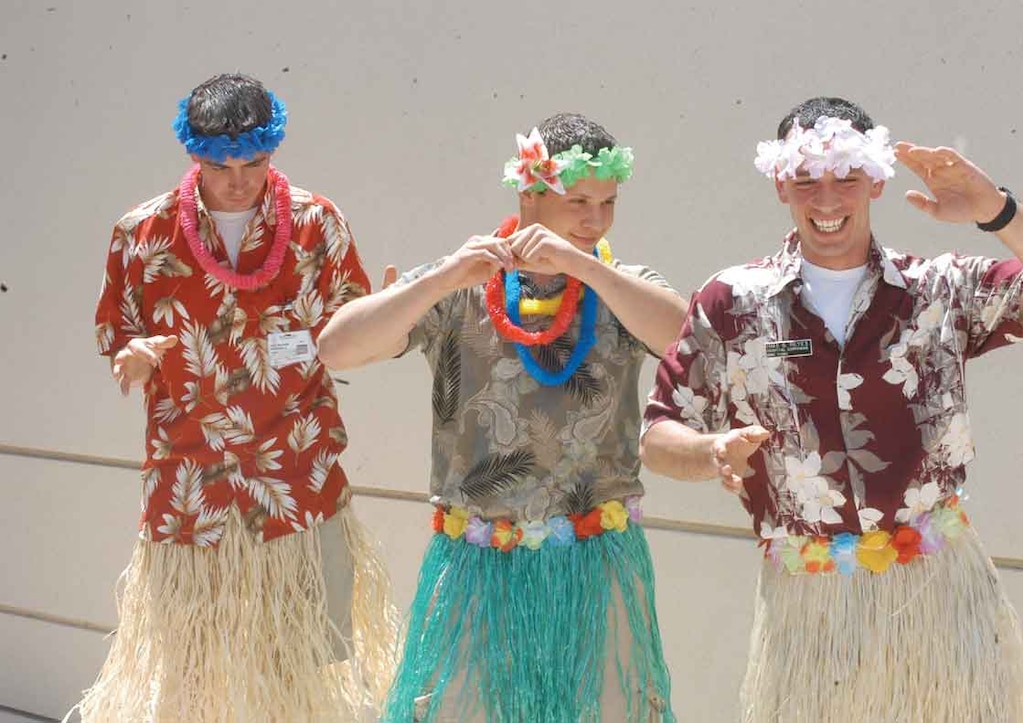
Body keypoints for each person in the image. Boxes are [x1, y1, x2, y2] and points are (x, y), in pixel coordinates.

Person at [640, 96, 1023, 722]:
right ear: (779, 184)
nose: (827, 201)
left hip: (939, 599)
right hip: (810, 614)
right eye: (806, 181)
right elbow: (659, 432)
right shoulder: (732, 301)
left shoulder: (937, 289)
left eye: (847, 178)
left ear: (876, 180)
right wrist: (709, 450)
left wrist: (993, 207)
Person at [319, 113, 686, 722]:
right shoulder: (464, 284)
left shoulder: (623, 286)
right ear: (530, 193)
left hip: (595, 557)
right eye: (578, 202)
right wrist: (440, 278)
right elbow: (336, 349)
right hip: (478, 559)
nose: (594, 219)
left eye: (607, 203)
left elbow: (682, 337)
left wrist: (588, 267)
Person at [82, 73, 398, 722]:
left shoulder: (318, 223)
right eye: (219, 165)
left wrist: (389, 321)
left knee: (294, 674)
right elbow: (117, 335)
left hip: (294, 483)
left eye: (252, 163)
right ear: (191, 152)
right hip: (190, 492)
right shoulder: (141, 232)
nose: (237, 181)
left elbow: (354, 334)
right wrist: (131, 359)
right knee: (192, 675)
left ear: (272, 149)